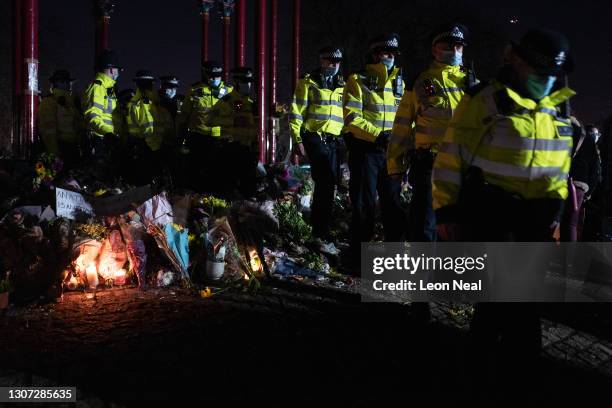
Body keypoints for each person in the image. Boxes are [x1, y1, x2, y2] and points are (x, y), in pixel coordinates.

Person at [431, 28, 575, 396]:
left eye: (551, 75)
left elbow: (559, 168)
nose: (544, 81)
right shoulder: (485, 102)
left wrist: (555, 214)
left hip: (535, 222)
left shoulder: (558, 107)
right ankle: (493, 382)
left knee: (512, 308)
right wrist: (446, 212)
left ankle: (507, 381)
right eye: (537, 71)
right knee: (509, 308)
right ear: (516, 61)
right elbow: (450, 159)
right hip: (493, 215)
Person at [387, 23, 476, 242]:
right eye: (448, 46)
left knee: (459, 230)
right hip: (430, 165)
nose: (454, 52)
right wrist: (395, 165)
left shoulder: (473, 83)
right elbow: (402, 126)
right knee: (424, 226)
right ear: (435, 49)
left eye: (459, 47)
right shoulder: (420, 82)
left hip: (464, 168)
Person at [343, 33, 405, 274]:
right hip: (366, 152)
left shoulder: (400, 82)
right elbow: (351, 117)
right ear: (375, 54)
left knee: (393, 206)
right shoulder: (357, 80)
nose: (390, 58)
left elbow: (405, 117)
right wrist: (377, 134)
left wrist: (403, 141)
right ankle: (358, 261)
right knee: (363, 207)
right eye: (386, 53)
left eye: (393, 54)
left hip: (391, 153)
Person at [290, 46, 345, 249]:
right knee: (325, 181)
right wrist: (297, 139)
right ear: (321, 61)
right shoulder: (308, 82)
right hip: (314, 137)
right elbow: (296, 111)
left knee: (329, 185)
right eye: (329, 61)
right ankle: (319, 230)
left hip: (334, 141)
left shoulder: (343, 84)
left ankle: (322, 229)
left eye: (337, 62)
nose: (333, 66)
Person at [179, 62, 233, 191]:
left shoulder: (229, 90)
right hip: (199, 138)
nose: (214, 78)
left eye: (217, 75)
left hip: (222, 138)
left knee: (220, 172)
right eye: (211, 75)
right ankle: (198, 200)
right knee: (197, 172)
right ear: (205, 74)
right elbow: (184, 114)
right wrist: (180, 135)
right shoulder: (194, 90)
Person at [209, 67, 258, 198]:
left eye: (249, 81)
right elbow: (212, 121)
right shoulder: (227, 101)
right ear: (236, 81)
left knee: (248, 189)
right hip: (231, 149)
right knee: (229, 189)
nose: (248, 85)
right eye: (244, 81)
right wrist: (232, 123)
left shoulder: (251, 103)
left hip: (247, 149)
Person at [126, 70, 173, 185]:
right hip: (150, 148)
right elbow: (150, 129)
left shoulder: (140, 102)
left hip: (146, 146)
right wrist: (158, 150)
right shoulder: (147, 103)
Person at [82, 49, 122, 180]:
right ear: (111, 70)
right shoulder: (98, 88)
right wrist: (109, 133)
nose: (118, 74)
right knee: (101, 180)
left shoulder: (107, 89)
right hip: (99, 142)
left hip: (107, 141)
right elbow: (92, 116)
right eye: (117, 70)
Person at [561, 119, 602, 242]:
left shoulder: (563, 133)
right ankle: (569, 260)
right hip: (579, 187)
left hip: (561, 181)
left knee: (558, 219)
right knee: (572, 224)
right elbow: (595, 170)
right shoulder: (589, 141)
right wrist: (588, 192)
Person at [38, 69, 83, 170]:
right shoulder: (49, 102)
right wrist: (55, 154)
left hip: (73, 150)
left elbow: (79, 126)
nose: (69, 85)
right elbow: (48, 131)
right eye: (67, 82)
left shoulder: (72, 103)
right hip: (61, 149)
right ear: (58, 83)